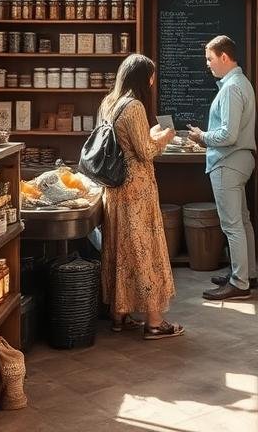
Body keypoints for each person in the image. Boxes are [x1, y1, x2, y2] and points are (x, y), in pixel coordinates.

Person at [99, 53, 185, 340]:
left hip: (113, 190)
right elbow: (145, 152)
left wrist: (150, 134)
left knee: (120, 251)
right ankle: (154, 322)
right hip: (136, 190)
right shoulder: (134, 106)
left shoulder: (109, 102)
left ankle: (119, 315)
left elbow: (125, 141)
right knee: (145, 251)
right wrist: (165, 137)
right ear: (142, 78)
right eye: (151, 76)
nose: (153, 81)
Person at [187, 35, 258, 301]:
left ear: (224, 57)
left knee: (232, 225)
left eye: (210, 59)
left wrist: (202, 137)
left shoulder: (230, 88)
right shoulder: (240, 83)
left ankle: (239, 283)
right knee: (243, 221)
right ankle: (247, 273)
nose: (208, 65)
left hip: (228, 161)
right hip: (240, 160)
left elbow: (227, 135)